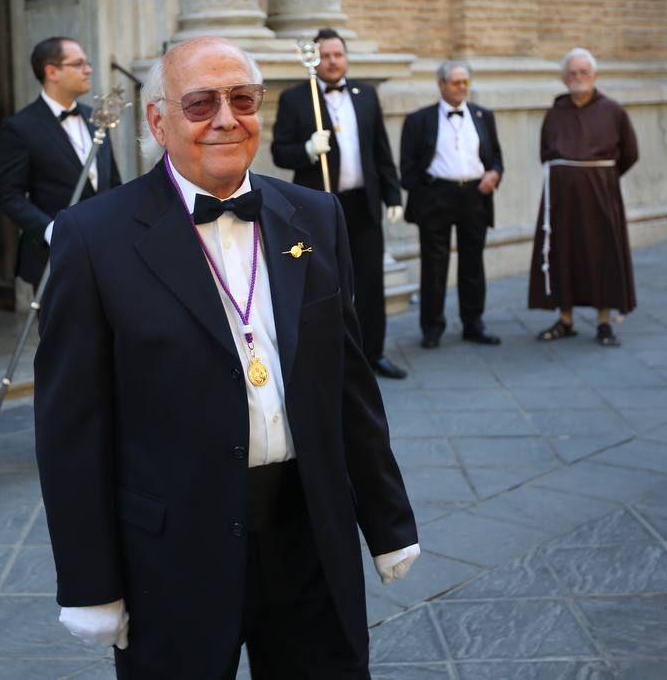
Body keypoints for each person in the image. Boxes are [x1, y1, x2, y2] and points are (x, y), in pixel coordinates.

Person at [34, 36, 419, 679]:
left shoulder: (316, 216)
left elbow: (348, 385)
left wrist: (387, 519)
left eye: (243, 99)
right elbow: (71, 429)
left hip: (309, 539)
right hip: (171, 553)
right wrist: (90, 583)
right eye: (200, 102)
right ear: (158, 121)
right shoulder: (92, 238)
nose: (225, 118)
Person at [271, 28, 407, 378]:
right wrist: (306, 150)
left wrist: (392, 194)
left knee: (370, 282)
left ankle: (373, 353)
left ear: (346, 58)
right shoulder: (297, 99)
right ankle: (329, 355)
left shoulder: (366, 96)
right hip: (318, 207)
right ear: (315, 60)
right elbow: (279, 152)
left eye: (338, 55)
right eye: (326, 55)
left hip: (363, 204)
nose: (333, 61)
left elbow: (381, 150)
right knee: (323, 282)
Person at [529, 48, 639, 346]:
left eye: (583, 72)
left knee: (601, 254)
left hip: (599, 197)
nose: (578, 78)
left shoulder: (613, 111)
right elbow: (545, 152)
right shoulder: (555, 112)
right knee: (563, 253)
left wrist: (600, 179)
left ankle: (604, 321)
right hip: (561, 199)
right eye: (572, 73)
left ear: (595, 76)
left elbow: (629, 154)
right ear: (564, 79)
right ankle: (565, 319)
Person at [0, 37, 121, 289]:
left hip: (106, 253)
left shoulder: (97, 117)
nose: (89, 70)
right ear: (51, 71)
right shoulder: (20, 127)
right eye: (78, 64)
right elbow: (9, 195)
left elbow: (113, 183)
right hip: (54, 259)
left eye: (88, 63)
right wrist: (50, 230)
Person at [399, 60, 504, 348]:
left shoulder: (484, 116)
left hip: (475, 196)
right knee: (434, 265)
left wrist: (494, 174)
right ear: (441, 85)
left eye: (465, 82)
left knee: (473, 262)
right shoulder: (419, 120)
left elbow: (495, 157)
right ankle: (432, 327)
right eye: (456, 83)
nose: (461, 88)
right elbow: (407, 169)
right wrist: (426, 193)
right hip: (436, 197)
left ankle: (474, 322)